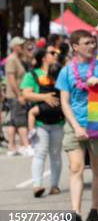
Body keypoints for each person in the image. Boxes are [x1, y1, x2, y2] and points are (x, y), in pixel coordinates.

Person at [57, 30, 98, 221]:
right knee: (76, 168)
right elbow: (64, 102)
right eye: (87, 42)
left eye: (93, 42)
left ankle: (95, 209)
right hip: (75, 124)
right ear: (75, 47)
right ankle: (75, 213)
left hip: (97, 124)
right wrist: (75, 126)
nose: (92, 46)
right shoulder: (66, 71)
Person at [20, 46, 64, 198]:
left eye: (56, 53)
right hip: (40, 122)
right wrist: (44, 98)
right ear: (43, 57)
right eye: (52, 53)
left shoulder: (61, 72)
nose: (55, 55)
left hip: (58, 121)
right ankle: (37, 185)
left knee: (56, 154)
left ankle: (54, 185)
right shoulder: (32, 74)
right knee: (40, 153)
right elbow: (26, 94)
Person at [5, 36, 32, 156]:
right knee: (21, 120)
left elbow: (30, 60)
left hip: (16, 94)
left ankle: (12, 147)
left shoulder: (18, 58)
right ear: (14, 47)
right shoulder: (12, 59)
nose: (23, 47)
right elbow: (11, 79)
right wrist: (19, 95)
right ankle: (25, 145)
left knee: (13, 121)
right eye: (21, 46)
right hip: (15, 94)